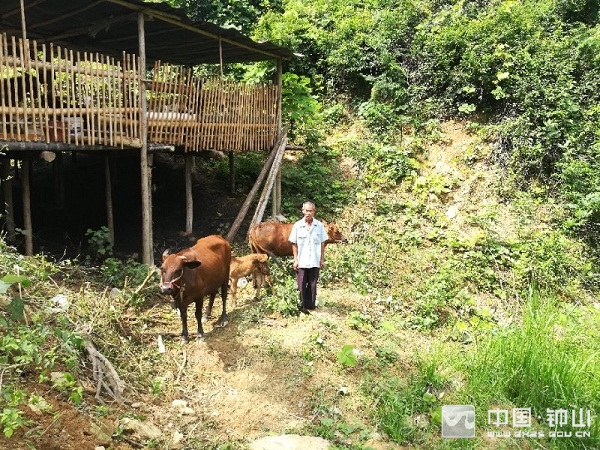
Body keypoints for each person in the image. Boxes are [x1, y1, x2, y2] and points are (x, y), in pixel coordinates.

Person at [289, 201, 328, 313]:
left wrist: (322, 259)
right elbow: (294, 243)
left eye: (310, 211)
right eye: (306, 211)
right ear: (303, 211)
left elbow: (322, 243)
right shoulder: (297, 226)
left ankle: (311, 306)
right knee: (301, 284)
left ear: (314, 212)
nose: (308, 213)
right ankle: (302, 306)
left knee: (312, 284)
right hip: (302, 261)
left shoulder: (319, 226)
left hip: (315, 261)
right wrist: (295, 260)